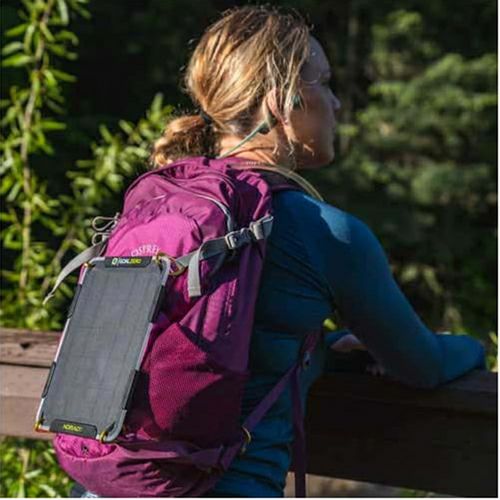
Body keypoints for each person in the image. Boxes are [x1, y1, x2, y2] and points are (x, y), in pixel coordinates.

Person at [74, 5, 485, 498]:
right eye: (325, 83)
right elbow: (424, 366)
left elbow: (225, 334)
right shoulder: (326, 232)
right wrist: (474, 348)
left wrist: (321, 347)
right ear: (281, 102)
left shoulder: (163, 203)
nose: (336, 103)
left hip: (104, 485)